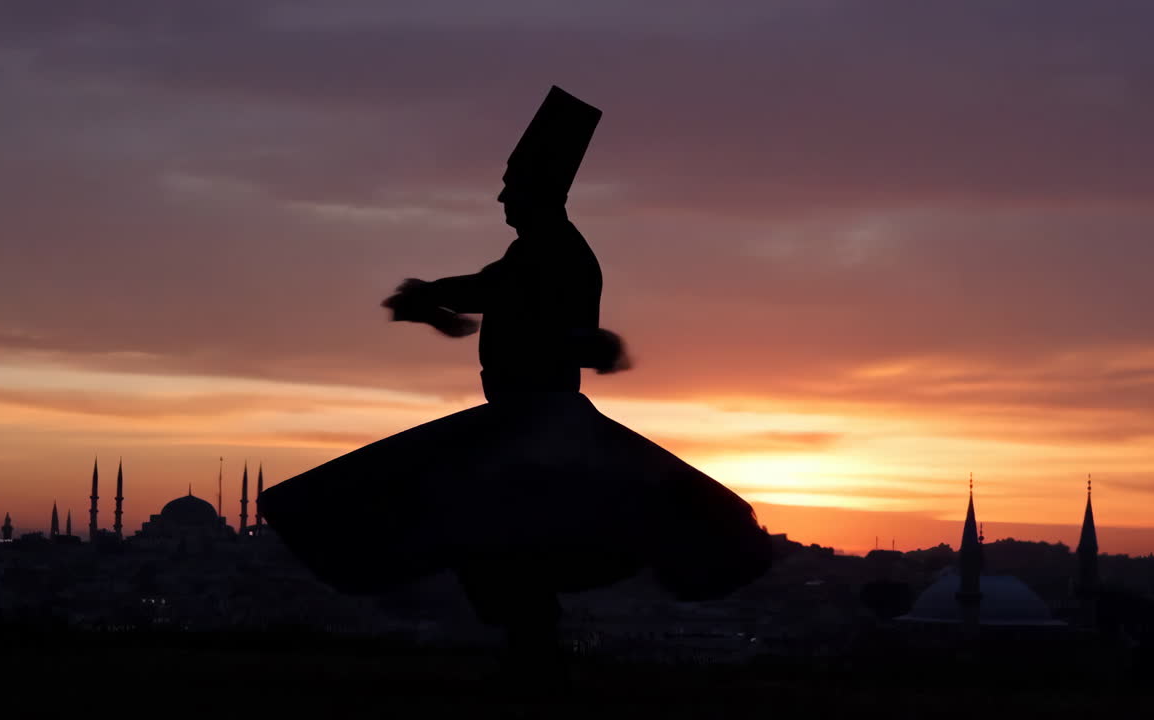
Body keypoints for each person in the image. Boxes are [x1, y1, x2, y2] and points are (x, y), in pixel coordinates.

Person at [258, 86, 771, 679]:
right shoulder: (539, 251)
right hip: (526, 419)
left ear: (539, 191)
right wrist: (435, 298)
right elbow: (491, 286)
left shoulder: (557, 253)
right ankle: (534, 647)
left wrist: (443, 300)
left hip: (537, 422)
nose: (502, 196)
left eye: (512, 186)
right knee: (491, 536)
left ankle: (534, 647)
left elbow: (505, 296)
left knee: (492, 534)